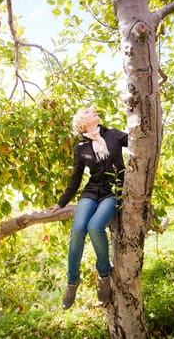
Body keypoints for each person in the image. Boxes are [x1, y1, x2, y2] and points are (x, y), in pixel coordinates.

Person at [49, 107, 128, 310]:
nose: (94, 111)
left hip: (113, 191)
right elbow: (76, 179)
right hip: (91, 192)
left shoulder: (114, 135)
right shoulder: (81, 147)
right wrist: (61, 203)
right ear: (82, 123)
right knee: (77, 230)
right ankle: (72, 282)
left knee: (95, 227)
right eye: (88, 112)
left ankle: (104, 275)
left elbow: (140, 143)